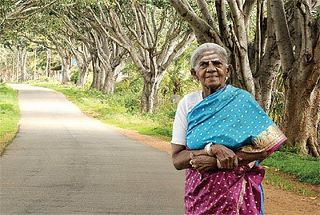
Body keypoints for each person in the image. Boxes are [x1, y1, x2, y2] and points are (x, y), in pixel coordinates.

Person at [171, 43, 287, 215]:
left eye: (217, 63)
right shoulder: (187, 104)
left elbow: (267, 146)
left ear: (228, 70)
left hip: (238, 194)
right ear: (194, 73)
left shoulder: (241, 100)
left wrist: (216, 163)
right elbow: (178, 160)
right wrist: (213, 149)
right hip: (199, 195)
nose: (211, 69)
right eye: (204, 64)